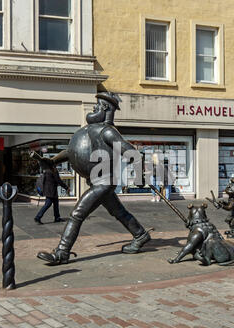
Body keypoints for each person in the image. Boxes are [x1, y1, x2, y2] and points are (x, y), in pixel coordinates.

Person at [36, 92, 152, 265]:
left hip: (104, 182)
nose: (94, 109)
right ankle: (140, 235)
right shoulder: (93, 130)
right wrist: (52, 160)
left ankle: (62, 252)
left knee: (77, 214)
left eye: (97, 106)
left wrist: (139, 173)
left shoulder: (108, 132)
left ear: (105, 108)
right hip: (99, 182)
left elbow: (132, 152)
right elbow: (71, 151)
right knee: (118, 212)